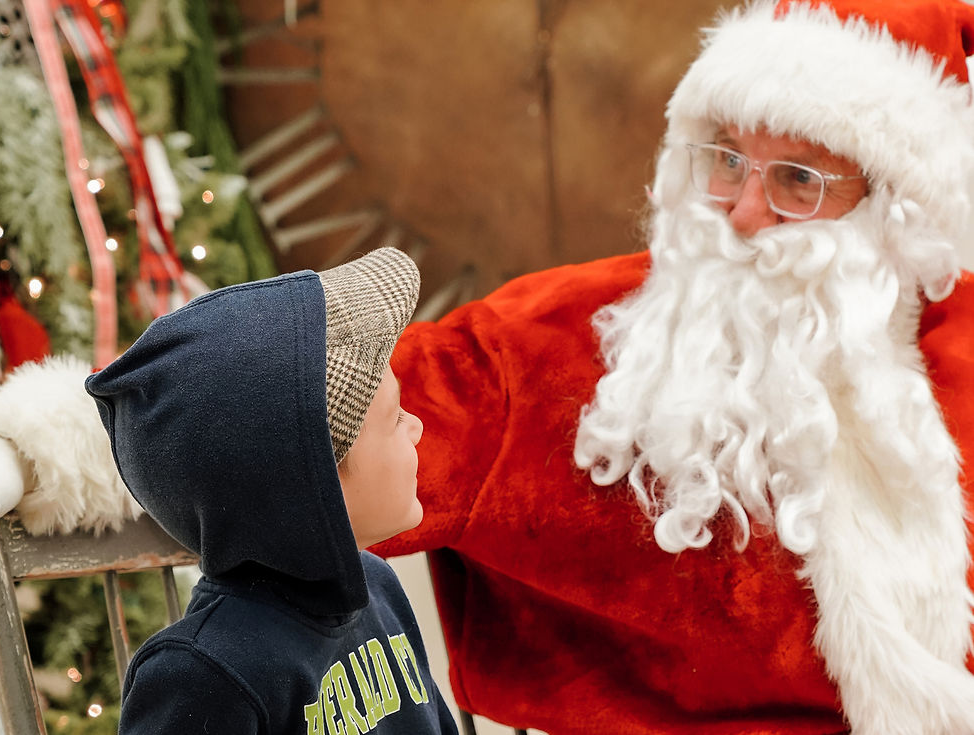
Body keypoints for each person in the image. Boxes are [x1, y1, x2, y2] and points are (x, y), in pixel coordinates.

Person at [373, 1, 974, 733]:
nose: (745, 213)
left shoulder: (957, 344)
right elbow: (311, 417)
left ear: (893, 206)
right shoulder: (548, 343)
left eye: (798, 180)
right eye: (726, 159)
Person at [84, 248, 457, 735]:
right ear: (312, 486)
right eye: (394, 418)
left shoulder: (375, 584)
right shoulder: (206, 673)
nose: (417, 427)